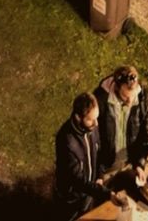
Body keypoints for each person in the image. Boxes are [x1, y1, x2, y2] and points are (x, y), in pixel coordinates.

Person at [54, 92, 116, 221]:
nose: (96, 124)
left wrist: (99, 176)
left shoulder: (91, 128)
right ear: (77, 117)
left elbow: (99, 154)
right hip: (71, 198)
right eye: (90, 119)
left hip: (89, 191)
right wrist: (106, 193)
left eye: (96, 118)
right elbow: (77, 180)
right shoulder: (66, 142)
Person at [94, 66, 148, 183]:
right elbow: (93, 142)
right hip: (106, 168)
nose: (129, 102)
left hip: (131, 164)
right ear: (116, 88)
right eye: (125, 97)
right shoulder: (100, 101)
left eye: (133, 97)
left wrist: (140, 164)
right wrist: (98, 174)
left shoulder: (145, 100)